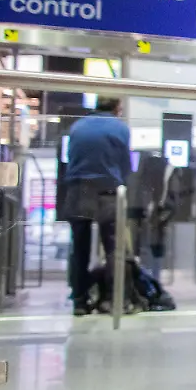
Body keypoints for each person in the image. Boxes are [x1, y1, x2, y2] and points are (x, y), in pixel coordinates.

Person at [61, 97, 132, 316]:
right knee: (113, 248)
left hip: (79, 189)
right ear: (117, 108)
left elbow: (70, 158)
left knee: (79, 247)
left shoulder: (77, 126)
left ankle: (80, 301)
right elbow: (125, 164)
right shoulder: (120, 128)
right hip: (108, 191)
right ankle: (111, 299)